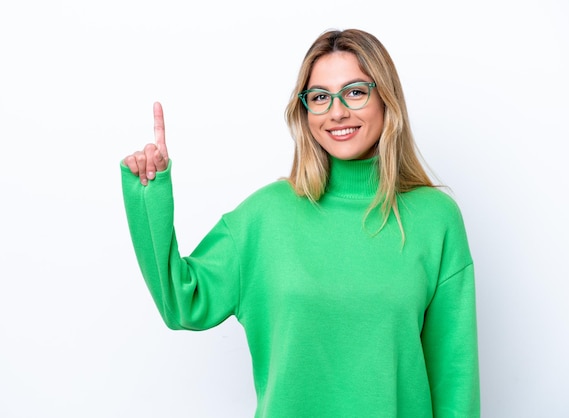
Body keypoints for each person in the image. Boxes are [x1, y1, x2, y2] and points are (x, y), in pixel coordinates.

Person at [121, 28, 480, 417]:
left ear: (386, 99)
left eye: (355, 91)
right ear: (305, 110)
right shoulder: (266, 215)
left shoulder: (434, 218)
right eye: (320, 97)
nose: (337, 111)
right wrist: (149, 196)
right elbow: (181, 303)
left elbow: (454, 381)